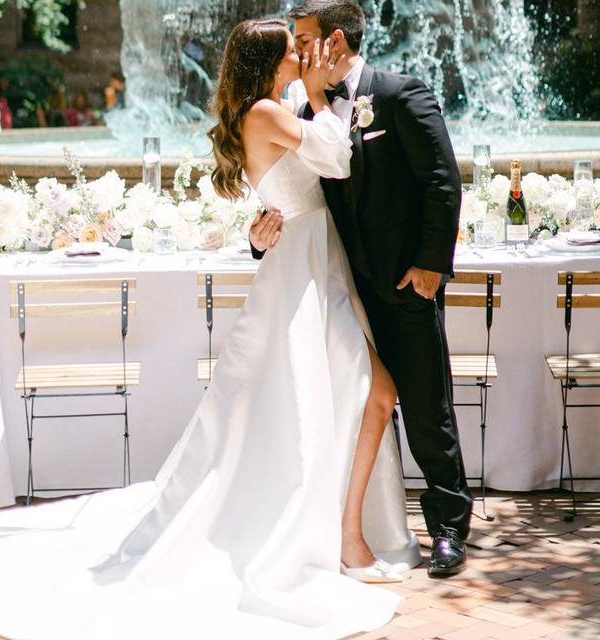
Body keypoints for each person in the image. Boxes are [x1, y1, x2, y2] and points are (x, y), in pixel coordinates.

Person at [0, 19, 419, 640]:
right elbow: (335, 156)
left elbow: (306, 181)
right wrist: (314, 91)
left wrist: (302, 122)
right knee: (364, 395)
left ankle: (342, 527)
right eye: (290, 51)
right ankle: (345, 536)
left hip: (316, 268)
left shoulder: (274, 110)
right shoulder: (266, 112)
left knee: (354, 398)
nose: (300, 55)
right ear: (268, 62)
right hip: (300, 282)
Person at [253, 0, 471, 577]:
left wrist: (430, 265)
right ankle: (367, 526)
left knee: (426, 406)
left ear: (338, 41)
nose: (297, 51)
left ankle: (449, 528)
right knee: (357, 407)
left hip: (402, 283)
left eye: (304, 39)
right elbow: (292, 194)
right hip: (338, 288)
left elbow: (442, 181)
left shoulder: (399, 94)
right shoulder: (300, 105)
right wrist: (259, 239)